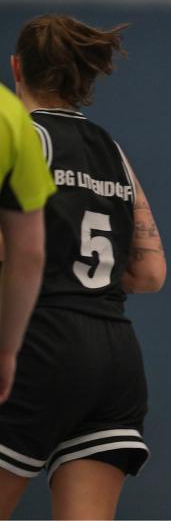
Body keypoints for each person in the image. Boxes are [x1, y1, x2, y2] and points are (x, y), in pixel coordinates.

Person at [0, 14, 167, 521]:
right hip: (113, 353)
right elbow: (150, 273)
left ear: (16, 68)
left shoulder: (19, 137)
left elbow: (16, 251)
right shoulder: (111, 150)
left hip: (38, 341)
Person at [0, 83, 56, 405]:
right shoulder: (10, 114)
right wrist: (7, 349)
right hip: (108, 344)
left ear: (17, 66)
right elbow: (28, 253)